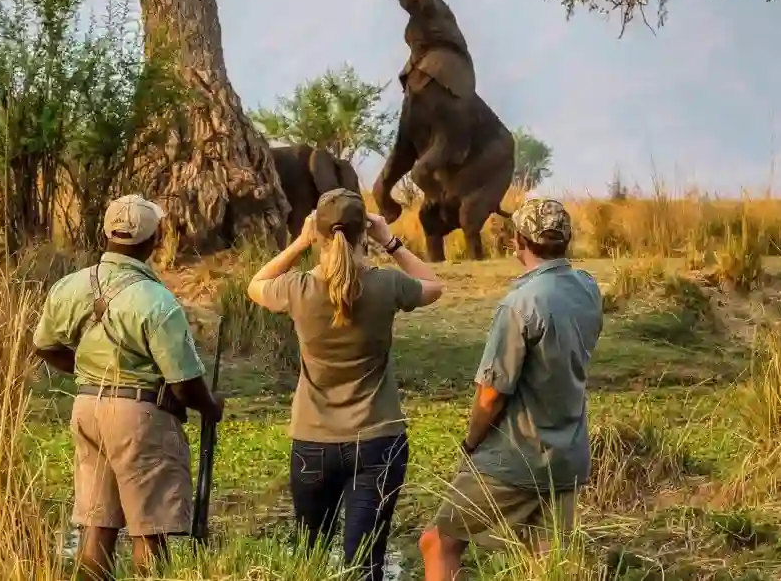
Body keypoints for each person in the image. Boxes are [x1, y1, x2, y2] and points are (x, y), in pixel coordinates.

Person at [246, 188, 445, 581]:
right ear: (362, 233)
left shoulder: (298, 288)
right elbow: (434, 286)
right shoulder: (387, 285)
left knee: (310, 556)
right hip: (378, 440)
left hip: (312, 441)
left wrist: (300, 242)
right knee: (365, 562)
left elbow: (256, 284)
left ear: (318, 232)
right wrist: (390, 240)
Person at [31, 194, 225, 581]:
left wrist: (89, 373)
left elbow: (44, 346)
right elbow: (184, 383)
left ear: (106, 233)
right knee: (148, 531)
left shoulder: (69, 286)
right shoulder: (158, 301)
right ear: (155, 241)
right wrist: (210, 406)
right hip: (140, 417)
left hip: (87, 409)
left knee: (97, 528)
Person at [419, 198, 603, 581]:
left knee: (438, 542)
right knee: (548, 565)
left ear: (518, 241)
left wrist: (471, 443)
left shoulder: (520, 304)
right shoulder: (587, 287)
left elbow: (491, 394)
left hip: (517, 456)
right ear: (566, 239)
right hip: (568, 453)